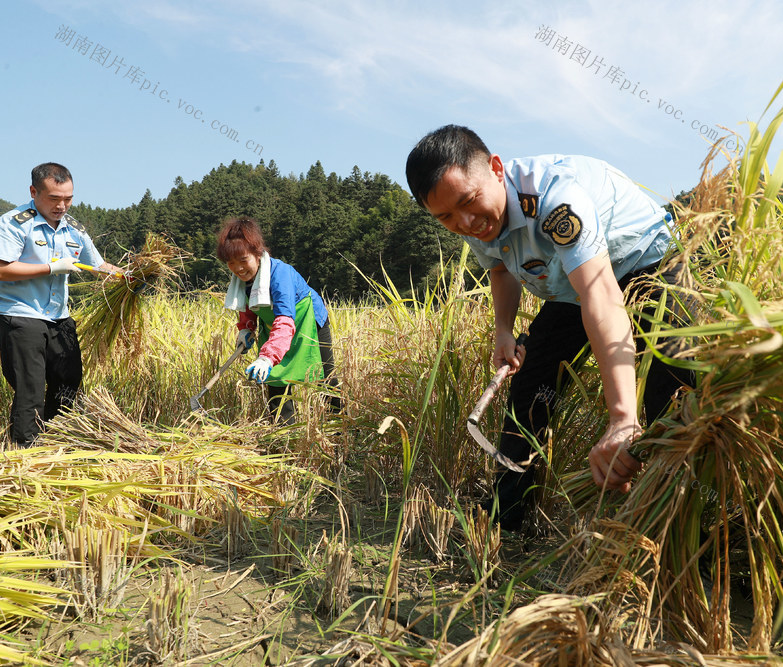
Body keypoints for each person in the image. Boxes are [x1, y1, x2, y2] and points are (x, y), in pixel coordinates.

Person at [405, 125, 693, 531]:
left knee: (671, 388)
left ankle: (675, 524)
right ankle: (504, 519)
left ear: (496, 168)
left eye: (469, 203)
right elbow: (501, 268)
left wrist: (622, 417)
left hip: (647, 265)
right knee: (531, 386)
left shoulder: (558, 201)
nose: (466, 223)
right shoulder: (472, 218)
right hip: (569, 287)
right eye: (446, 217)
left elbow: (603, 298)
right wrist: (502, 331)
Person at [0, 162, 123, 448]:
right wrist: (50, 268)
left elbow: (98, 266)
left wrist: (128, 276)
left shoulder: (73, 229)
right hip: (21, 314)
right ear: (34, 192)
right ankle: (26, 452)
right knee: (30, 387)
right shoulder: (13, 223)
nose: (62, 206)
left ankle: (56, 441)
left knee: (68, 381)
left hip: (59, 316)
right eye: (54, 198)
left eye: (68, 198)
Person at [217, 216, 341, 425]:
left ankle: (339, 430)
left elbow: (285, 320)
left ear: (257, 254)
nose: (238, 269)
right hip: (273, 328)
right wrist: (245, 329)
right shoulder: (242, 281)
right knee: (275, 380)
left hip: (307, 322)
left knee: (324, 378)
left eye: (243, 260)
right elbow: (248, 306)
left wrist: (267, 357)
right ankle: (284, 436)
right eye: (231, 263)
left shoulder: (279, 274)